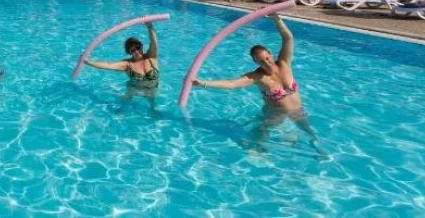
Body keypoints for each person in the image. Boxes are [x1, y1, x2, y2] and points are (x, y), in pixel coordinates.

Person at [192, 14, 318, 150]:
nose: (267, 63)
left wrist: (276, 19)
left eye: (267, 58)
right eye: (261, 61)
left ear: (270, 53)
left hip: (297, 110)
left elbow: (288, 38)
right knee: (262, 132)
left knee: (309, 132)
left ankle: (319, 150)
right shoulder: (257, 77)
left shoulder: (284, 63)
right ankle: (256, 149)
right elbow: (231, 84)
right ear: (256, 62)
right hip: (275, 114)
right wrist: (203, 83)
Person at [83, 22, 161, 112]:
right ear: (129, 53)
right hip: (134, 88)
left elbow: (154, 42)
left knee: (153, 106)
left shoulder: (151, 57)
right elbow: (108, 65)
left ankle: (153, 110)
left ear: (142, 46)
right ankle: (120, 112)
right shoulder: (127, 64)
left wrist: (149, 26)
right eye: (133, 50)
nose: (137, 51)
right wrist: (89, 62)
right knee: (124, 104)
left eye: (138, 47)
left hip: (152, 89)